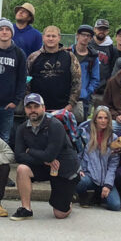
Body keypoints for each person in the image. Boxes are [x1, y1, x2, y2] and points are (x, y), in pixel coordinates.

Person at [10, 93, 79, 221]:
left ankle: (69, 197)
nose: (33, 110)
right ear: (25, 109)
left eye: (36, 106)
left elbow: (50, 155)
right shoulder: (21, 128)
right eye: (29, 107)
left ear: (43, 107)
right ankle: (26, 209)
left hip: (63, 168)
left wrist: (30, 150)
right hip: (44, 165)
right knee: (22, 169)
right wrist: (44, 160)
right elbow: (19, 156)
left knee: (60, 214)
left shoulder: (55, 125)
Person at [26, 26, 80, 117]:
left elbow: (77, 82)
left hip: (63, 110)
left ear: (59, 38)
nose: (51, 39)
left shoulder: (70, 57)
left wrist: (70, 105)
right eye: (48, 36)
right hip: (38, 109)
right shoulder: (33, 57)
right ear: (43, 37)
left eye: (54, 36)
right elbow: (26, 81)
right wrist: (31, 105)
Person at [74, 106, 121, 211]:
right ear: (95, 119)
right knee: (78, 180)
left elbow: (113, 165)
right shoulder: (85, 134)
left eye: (105, 118)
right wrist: (79, 169)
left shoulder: (114, 138)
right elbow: (77, 155)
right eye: (100, 118)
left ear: (109, 120)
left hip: (105, 179)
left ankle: (98, 195)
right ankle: (83, 196)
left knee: (116, 205)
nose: (103, 121)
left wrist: (108, 185)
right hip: (89, 176)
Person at [69, 24, 103, 121]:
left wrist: (87, 92)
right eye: (83, 34)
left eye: (88, 36)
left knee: (81, 126)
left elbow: (95, 79)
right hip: (66, 97)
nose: (85, 37)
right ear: (77, 36)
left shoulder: (93, 57)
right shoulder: (67, 53)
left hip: (83, 100)